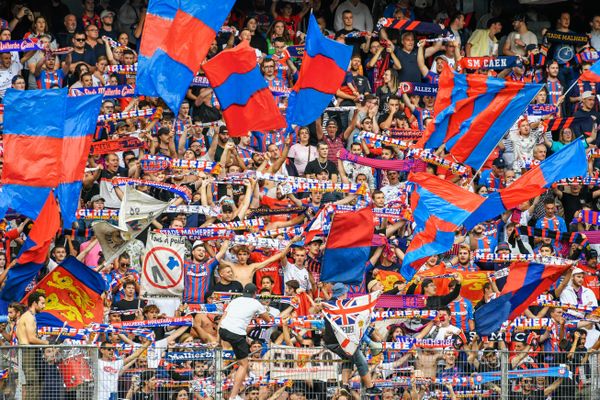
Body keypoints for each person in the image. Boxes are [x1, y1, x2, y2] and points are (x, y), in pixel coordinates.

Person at [319, 283, 382, 396]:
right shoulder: (336, 305)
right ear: (342, 294)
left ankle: (345, 386)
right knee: (361, 360)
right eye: (345, 293)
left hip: (332, 342)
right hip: (340, 342)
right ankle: (370, 387)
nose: (347, 295)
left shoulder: (330, 304)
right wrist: (375, 295)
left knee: (348, 358)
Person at [219, 283, 273, 400]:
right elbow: (269, 320)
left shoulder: (235, 300)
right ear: (255, 294)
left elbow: (224, 316)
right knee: (244, 364)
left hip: (223, 330)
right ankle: (233, 396)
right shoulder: (256, 303)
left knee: (230, 352)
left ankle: (224, 386)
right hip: (236, 334)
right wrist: (258, 317)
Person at [16, 291, 49, 400]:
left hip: (29, 351)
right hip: (28, 352)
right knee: (33, 383)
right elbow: (31, 338)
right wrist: (45, 343)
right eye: (42, 303)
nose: (44, 306)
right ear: (35, 303)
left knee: (35, 383)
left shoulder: (28, 316)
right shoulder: (29, 317)